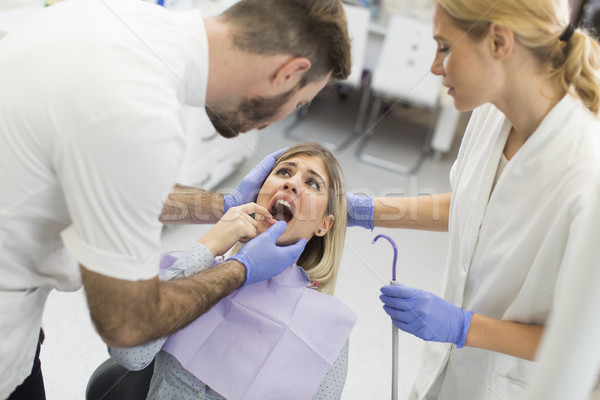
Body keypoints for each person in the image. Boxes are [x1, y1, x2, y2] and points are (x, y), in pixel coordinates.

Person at [0, 0, 351, 397]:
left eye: (312, 184)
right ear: (289, 73)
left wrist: (223, 204)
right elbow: (127, 330)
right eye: (299, 103)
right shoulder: (146, 117)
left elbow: (105, 180)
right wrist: (238, 268)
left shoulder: (105, 19)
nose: (283, 119)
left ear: (326, 223)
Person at [344, 0, 600, 398]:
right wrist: (361, 210)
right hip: (449, 371)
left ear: (499, 41)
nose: (433, 66)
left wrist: (464, 327)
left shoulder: (587, 172)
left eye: (444, 47)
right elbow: (472, 206)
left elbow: (586, 343)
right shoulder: (492, 112)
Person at [109, 142, 356, 400]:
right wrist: (209, 246)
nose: (292, 183)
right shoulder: (187, 269)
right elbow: (127, 352)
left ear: (324, 225)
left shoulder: (325, 328)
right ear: (258, 193)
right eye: (284, 172)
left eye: (312, 183)